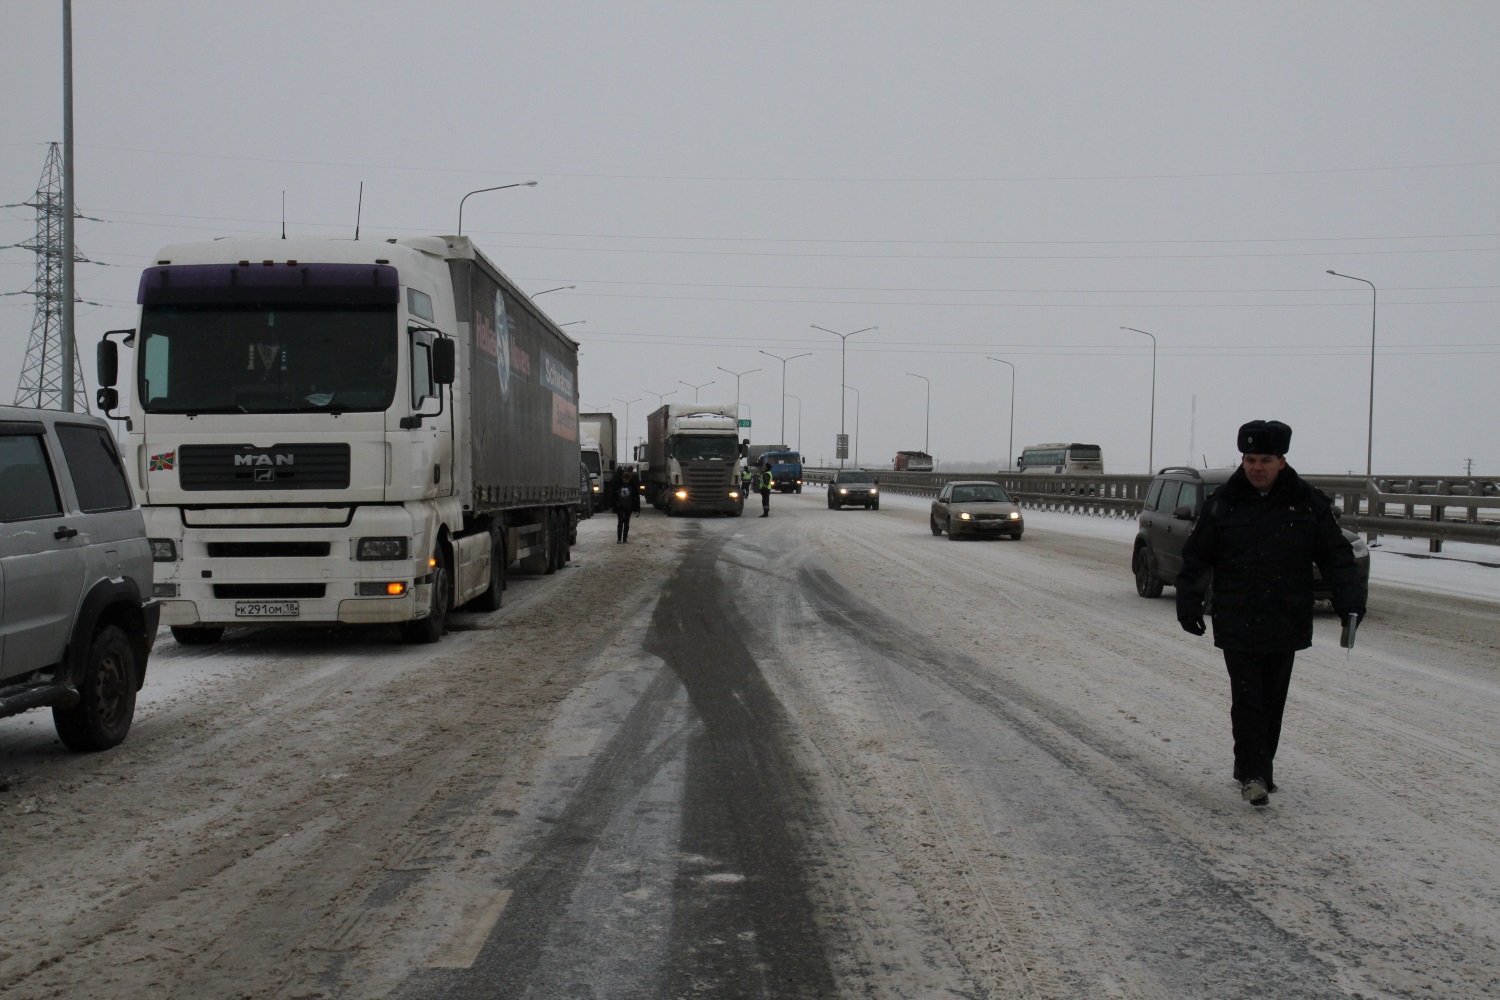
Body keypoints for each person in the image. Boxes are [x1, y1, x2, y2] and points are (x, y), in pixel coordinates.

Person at [1176, 419, 1366, 807]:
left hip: (1286, 616)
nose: (1256, 466)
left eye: (1265, 458)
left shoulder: (1307, 502)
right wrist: (1188, 602)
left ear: (1282, 460)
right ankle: (1254, 773)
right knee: (1247, 698)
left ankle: (1257, 765)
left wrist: (1350, 603)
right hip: (1237, 616)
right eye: (1249, 458)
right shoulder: (1223, 504)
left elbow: (1336, 556)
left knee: (1272, 698)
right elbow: (1197, 557)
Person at [611, 465, 641, 542]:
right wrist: (615, 504)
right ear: (623, 478)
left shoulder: (632, 485)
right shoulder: (618, 484)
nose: (626, 480)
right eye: (625, 479)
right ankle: (619, 539)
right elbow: (613, 495)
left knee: (626, 522)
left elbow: (636, 496)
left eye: (627, 479)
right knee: (621, 521)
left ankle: (624, 538)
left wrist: (636, 506)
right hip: (620, 505)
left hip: (629, 506)